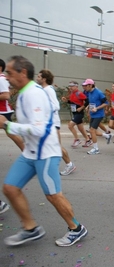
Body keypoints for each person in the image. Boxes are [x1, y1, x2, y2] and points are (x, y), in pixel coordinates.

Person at [0, 55, 87, 246]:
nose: (6, 77)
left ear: (23, 73)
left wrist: (8, 125)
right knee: (10, 188)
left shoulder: (34, 94)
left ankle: (76, 228)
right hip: (31, 152)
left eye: (9, 72)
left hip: (46, 153)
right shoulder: (24, 92)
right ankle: (30, 228)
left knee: (53, 195)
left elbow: (39, 129)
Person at [36, 69, 76, 176]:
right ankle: (46, 166)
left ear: (44, 79)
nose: (37, 78)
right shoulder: (43, 89)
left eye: (39, 77)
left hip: (53, 123)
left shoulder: (49, 90)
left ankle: (69, 164)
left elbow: (56, 106)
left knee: (57, 146)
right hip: (47, 123)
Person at [0, 58, 24, 151]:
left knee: (11, 133)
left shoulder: (1, 79)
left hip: (3, 111)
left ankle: (28, 152)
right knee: (11, 133)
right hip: (3, 110)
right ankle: (27, 152)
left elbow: (6, 95)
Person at [82, 79, 111, 155]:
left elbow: (106, 103)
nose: (84, 87)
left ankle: (96, 149)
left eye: (86, 85)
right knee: (93, 132)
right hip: (92, 114)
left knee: (92, 131)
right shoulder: (89, 92)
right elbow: (92, 102)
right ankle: (107, 136)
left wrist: (97, 108)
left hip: (99, 114)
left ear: (90, 85)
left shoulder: (99, 92)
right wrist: (88, 107)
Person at [61, 81, 92, 148]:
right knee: (81, 128)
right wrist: (66, 100)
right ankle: (88, 140)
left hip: (79, 113)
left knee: (70, 125)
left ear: (76, 86)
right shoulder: (72, 93)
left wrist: (82, 108)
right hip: (75, 113)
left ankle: (77, 139)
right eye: (70, 86)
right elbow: (73, 102)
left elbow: (88, 101)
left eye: (72, 86)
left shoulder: (79, 93)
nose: (70, 87)